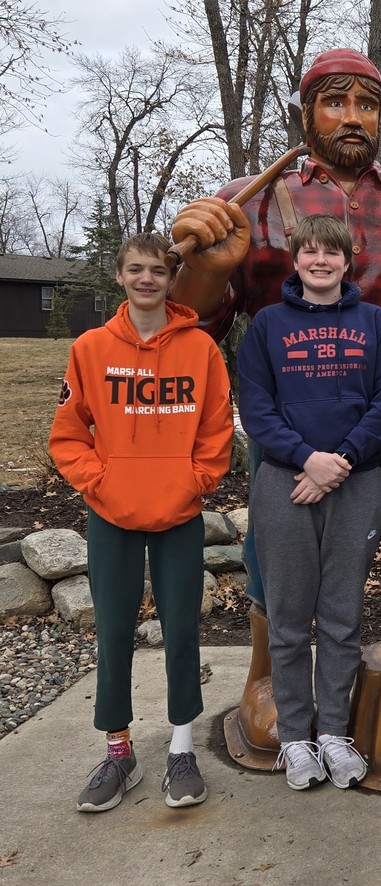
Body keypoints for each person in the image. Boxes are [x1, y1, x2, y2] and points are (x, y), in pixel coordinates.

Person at [169, 48, 381, 691]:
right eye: (335, 102)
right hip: (291, 401)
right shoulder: (248, 203)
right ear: (307, 114)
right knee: (274, 501)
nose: (351, 118)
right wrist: (204, 266)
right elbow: (197, 327)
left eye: (365, 105)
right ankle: (267, 670)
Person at [49, 231, 234, 813]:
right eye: (136, 270)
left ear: (171, 277)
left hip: (178, 513)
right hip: (111, 514)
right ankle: (119, 752)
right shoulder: (90, 349)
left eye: (157, 270)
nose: (147, 279)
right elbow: (69, 434)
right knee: (114, 633)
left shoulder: (200, 349)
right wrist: (99, 482)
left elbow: (216, 430)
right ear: (121, 276)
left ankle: (182, 749)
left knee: (182, 630)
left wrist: (193, 482)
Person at [237, 214, 381, 791]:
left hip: (354, 481)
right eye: (310, 252)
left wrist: (338, 464)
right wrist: (307, 459)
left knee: (340, 617)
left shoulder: (374, 322)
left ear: (346, 259)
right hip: (286, 481)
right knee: (286, 619)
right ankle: (295, 740)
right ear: (296, 258)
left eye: (330, 253)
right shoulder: (267, 326)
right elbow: (256, 407)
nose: (320, 262)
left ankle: (333, 732)